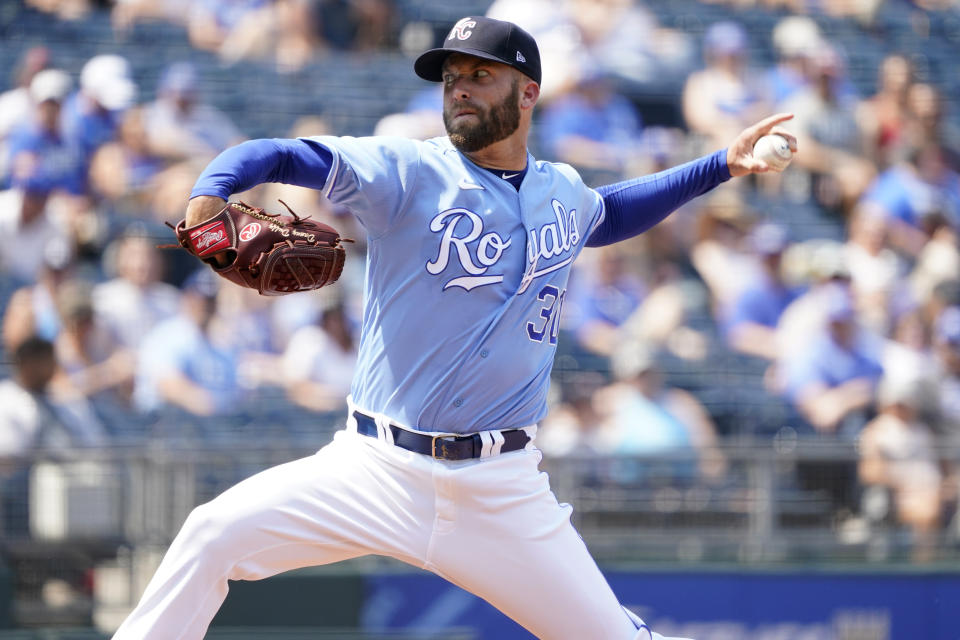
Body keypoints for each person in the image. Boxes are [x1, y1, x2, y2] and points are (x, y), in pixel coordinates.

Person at [113, 16, 796, 640]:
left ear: (527, 92)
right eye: (451, 78)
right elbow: (281, 154)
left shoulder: (561, 189)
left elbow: (607, 215)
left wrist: (721, 166)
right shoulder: (406, 170)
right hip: (373, 468)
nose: (459, 90)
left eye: (479, 75)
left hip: (501, 489)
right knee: (211, 535)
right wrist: (210, 192)